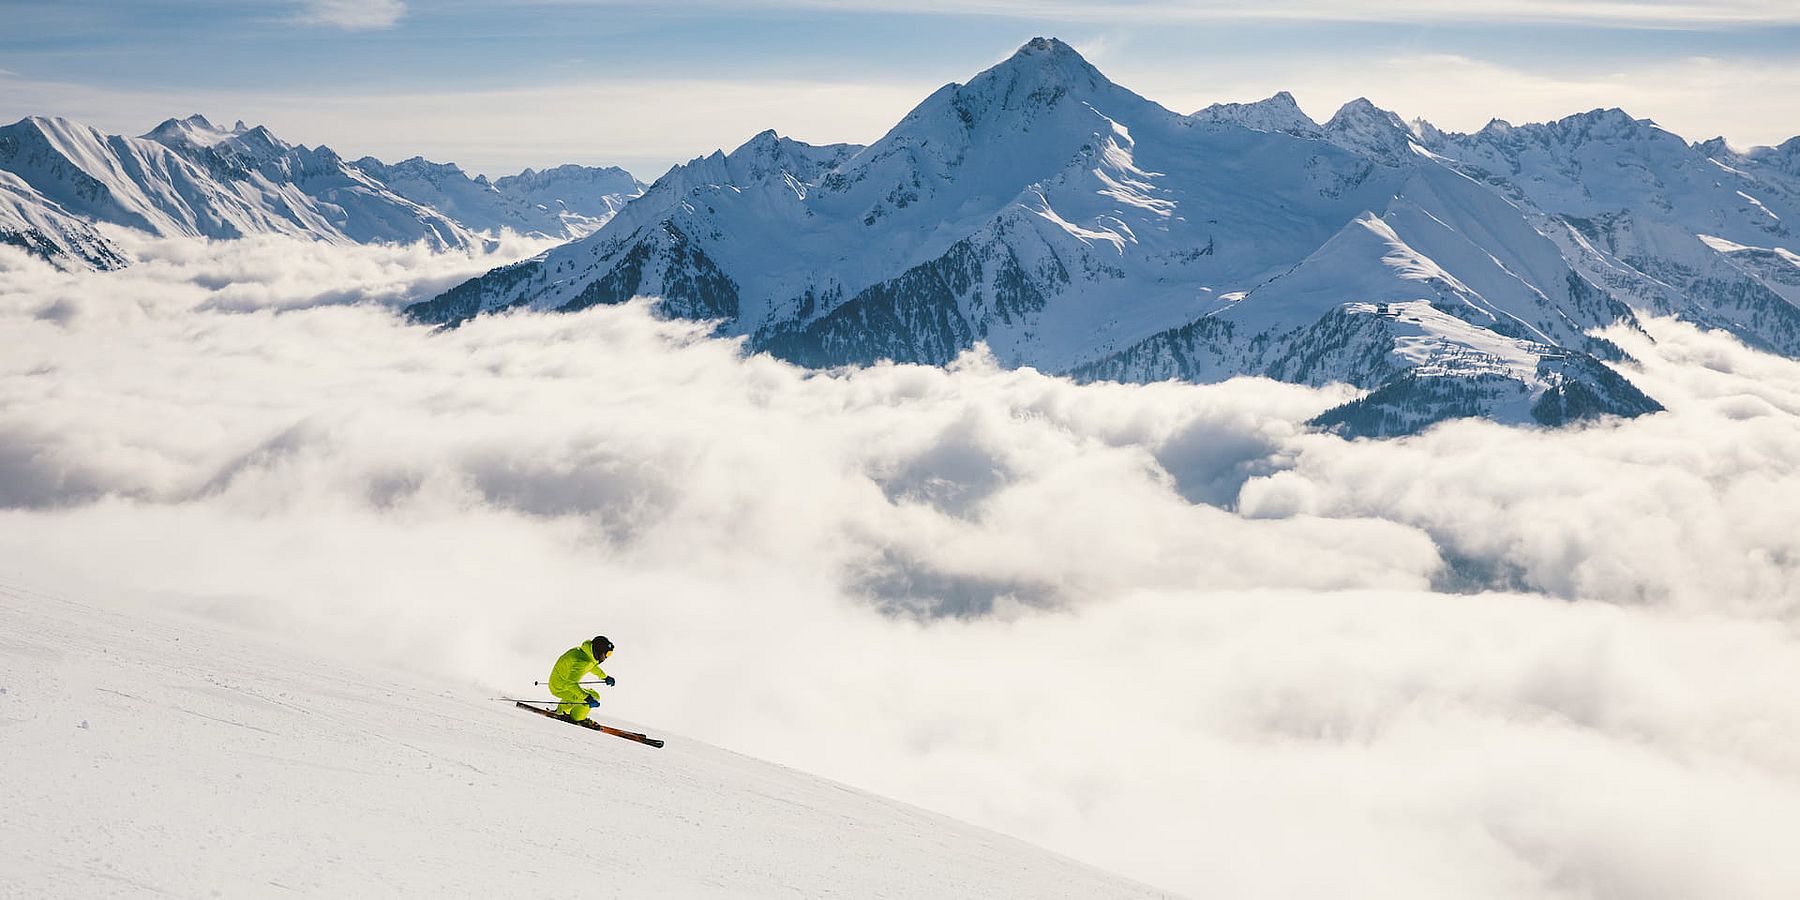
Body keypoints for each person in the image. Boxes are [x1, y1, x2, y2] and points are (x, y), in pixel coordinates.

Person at [549, 635, 616, 722]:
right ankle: (577, 718)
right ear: (599, 651)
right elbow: (571, 684)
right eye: (607, 654)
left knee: (591, 694)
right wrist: (587, 698)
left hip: (559, 684)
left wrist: (605, 677)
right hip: (560, 688)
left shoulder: (585, 654)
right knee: (592, 697)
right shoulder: (583, 662)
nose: (606, 657)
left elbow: (592, 667)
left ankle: (563, 710)